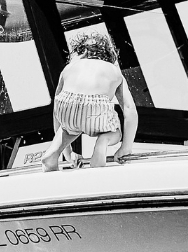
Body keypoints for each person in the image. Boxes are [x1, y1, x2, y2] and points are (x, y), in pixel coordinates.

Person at [40, 32, 138, 171]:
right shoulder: (113, 70)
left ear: (80, 51)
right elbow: (130, 110)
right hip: (96, 107)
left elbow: (57, 111)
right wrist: (125, 147)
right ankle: (102, 144)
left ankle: (52, 153)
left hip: (66, 107)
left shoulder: (68, 69)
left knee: (67, 128)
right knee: (115, 132)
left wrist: (67, 153)